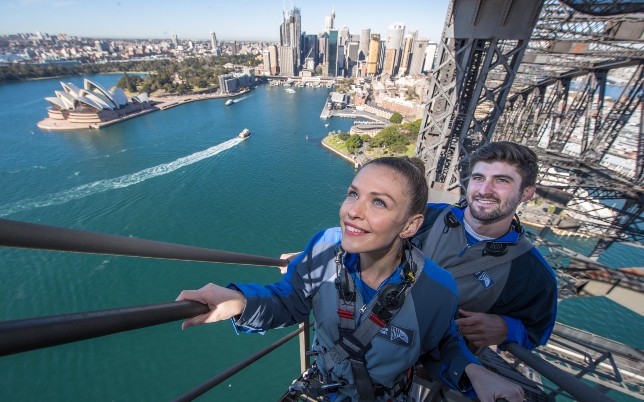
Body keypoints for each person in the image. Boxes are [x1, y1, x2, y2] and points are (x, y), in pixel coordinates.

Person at [177, 157, 524, 402]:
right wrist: (240, 302)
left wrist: (475, 372)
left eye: (379, 203)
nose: (352, 211)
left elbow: (439, 347)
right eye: (354, 193)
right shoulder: (325, 245)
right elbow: (291, 300)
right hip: (322, 388)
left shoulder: (437, 288)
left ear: (410, 226)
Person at [411, 141, 557, 350]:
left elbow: (536, 333)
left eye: (502, 180)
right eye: (478, 178)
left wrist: (508, 328)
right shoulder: (422, 217)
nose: (485, 190)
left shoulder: (533, 274)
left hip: (430, 363)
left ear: (526, 193)